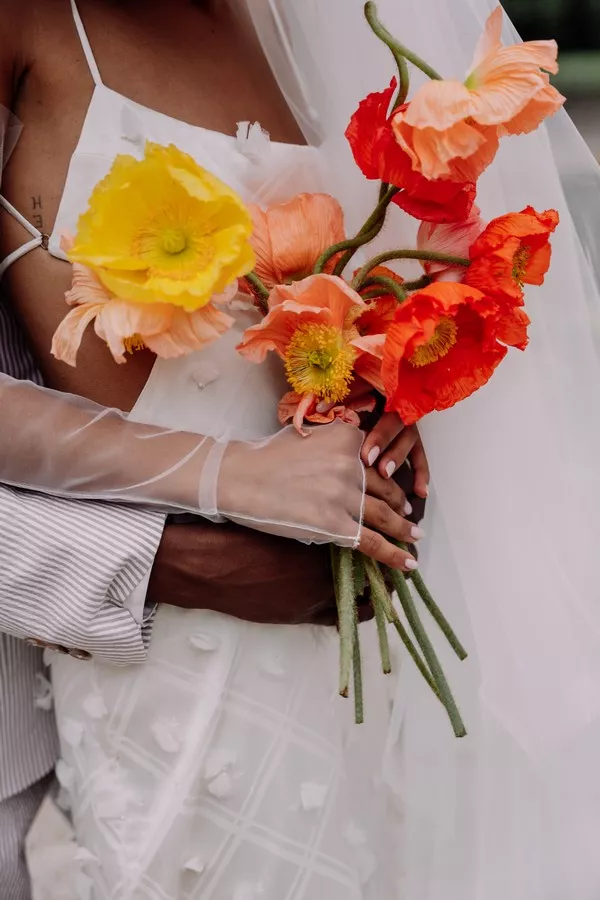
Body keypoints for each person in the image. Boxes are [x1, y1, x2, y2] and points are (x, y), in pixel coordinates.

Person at [3, 0, 600, 898]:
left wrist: (396, 393)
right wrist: (228, 475)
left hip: (363, 615)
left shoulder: (306, 24)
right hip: (176, 652)